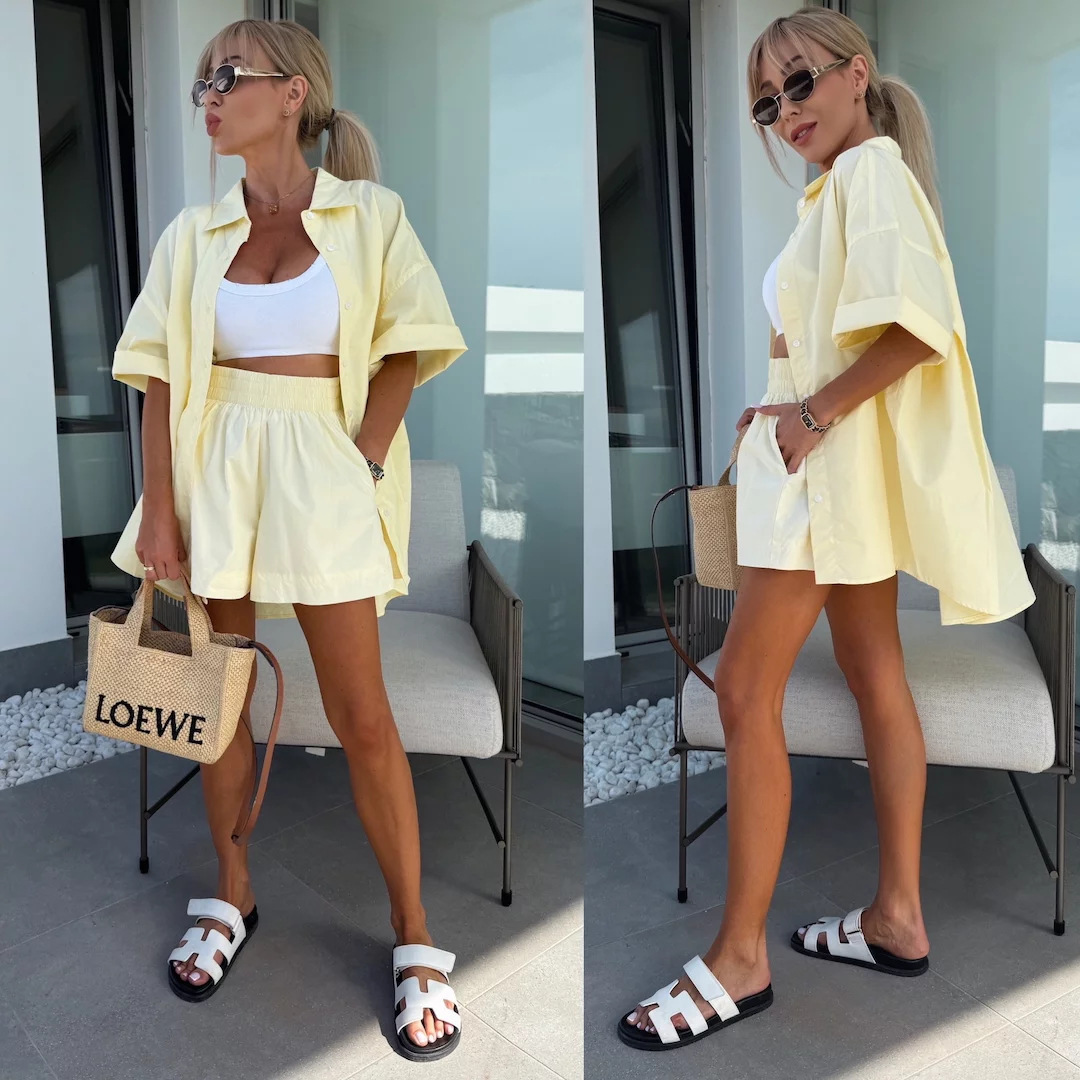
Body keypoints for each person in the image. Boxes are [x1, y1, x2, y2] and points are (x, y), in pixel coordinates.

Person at [617, 6, 1035, 1051]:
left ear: (856, 74)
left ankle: (740, 960)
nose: (785, 110)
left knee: (743, 690)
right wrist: (786, 405)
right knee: (872, 674)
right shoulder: (842, 185)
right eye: (767, 102)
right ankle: (897, 917)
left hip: (824, 485)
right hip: (823, 472)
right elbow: (849, 340)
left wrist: (810, 414)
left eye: (799, 83)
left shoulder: (869, 174)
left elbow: (918, 331)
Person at [109, 18, 467, 1063]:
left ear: (294, 92)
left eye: (227, 76)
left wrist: (365, 456)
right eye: (201, 83)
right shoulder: (192, 233)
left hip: (323, 470)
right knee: (214, 700)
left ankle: (415, 936)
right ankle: (232, 894)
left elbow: (406, 345)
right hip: (213, 471)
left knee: (363, 713)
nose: (209, 97)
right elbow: (157, 375)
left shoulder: (370, 215)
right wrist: (161, 510)